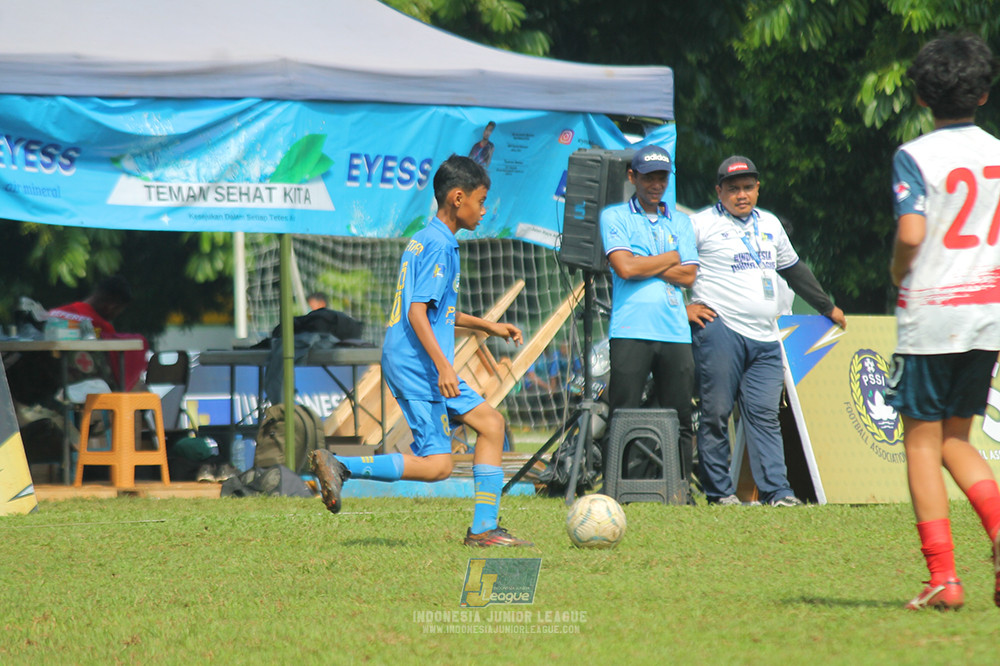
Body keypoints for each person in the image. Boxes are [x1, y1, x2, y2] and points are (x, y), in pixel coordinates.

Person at [310, 155, 531, 547]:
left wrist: (486, 325)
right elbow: (416, 314)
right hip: (419, 365)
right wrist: (445, 367)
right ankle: (341, 465)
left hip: (417, 360)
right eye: (481, 202)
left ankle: (484, 528)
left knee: (491, 426)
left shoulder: (428, 239)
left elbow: (435, 311)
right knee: (438, 466)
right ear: (458, 198)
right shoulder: (440, 247)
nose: (484, 210)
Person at [886, 33, 1000, 611]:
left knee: (923, 444)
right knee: (959, 437)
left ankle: (945, 579)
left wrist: (897, 268)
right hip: (987, 315)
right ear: (983, 93)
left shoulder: (917, 155)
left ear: (924, 98)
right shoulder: (999, 153)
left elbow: (912, 233)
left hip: (933, 312)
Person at [687, 155, 846, 506]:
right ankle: (719, 493)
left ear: (758, 189)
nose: (741, 194)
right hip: (720, 330)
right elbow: (672, 268)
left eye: (747, 187)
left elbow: (794, 269)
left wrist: (826, 307)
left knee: (765, 415)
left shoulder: (771, 225)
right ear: (719, 191)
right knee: (716, 412)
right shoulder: (699, 224)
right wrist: (681, 307)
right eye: (733, 189)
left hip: (766, 336)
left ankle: (778, 492)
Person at [600, 144, 698, 485]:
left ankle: (680, 489)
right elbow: (624, 268)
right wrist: (670, 256)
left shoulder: (681, 221)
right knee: (623, 413)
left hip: (675, 331)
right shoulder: (614, 216)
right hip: (630, 329)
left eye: (661, 177)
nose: (655, 185)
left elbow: (689, 276)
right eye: (648, 178)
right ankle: (616, 488)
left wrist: (646, 262)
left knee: (680, 416)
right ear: (632, 177)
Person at [48, 275, 149, 391]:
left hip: (47, 377)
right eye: (118, 311)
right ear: (112, 307)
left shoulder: (56, 313)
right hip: (78, 385)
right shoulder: (101, 326)